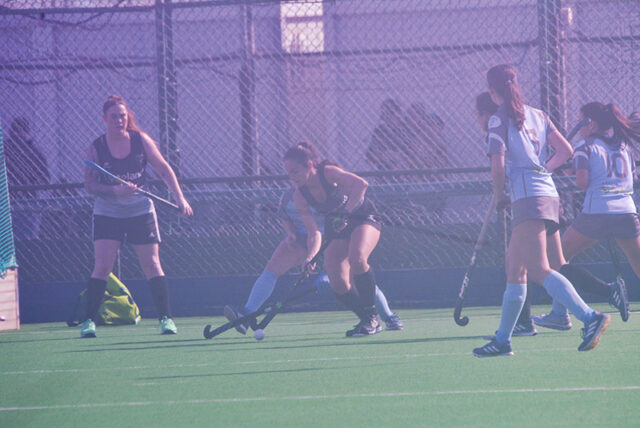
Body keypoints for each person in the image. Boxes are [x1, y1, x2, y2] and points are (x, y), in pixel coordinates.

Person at [472, 65, 610, 357]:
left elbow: (497, 165)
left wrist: (499, 195)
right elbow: (565, 151)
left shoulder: (498, 119)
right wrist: (543, 170)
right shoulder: (538, 114)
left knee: (538, 268)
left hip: (528, 197)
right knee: (515, 269)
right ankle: (502, 340)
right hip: (546, 192)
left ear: (492, 90)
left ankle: (590, 317)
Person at [223, 181, 403, 335]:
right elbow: (285, 217)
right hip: (302, 239)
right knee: (272, 267)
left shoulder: (324, 193)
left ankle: (388, 317)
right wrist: (290, 233)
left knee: (354, 276)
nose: (297, 179)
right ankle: (247, 315)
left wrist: (311, 257)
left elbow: (316, 234)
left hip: (331, 238)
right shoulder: (289, 196)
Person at [81, 95, 193, 338]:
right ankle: (89, 321)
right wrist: (115, 190)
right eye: (114, 117)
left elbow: (164, 169)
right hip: (108, 211)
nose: (119, 120)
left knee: (152, 263)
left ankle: (166, 319)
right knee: (102, 266)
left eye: (122, 116)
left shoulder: (141, 140)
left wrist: (180, 198)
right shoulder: (97, 146)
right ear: (105, 119)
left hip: (139, 210)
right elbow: (89, 184)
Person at [531, 102, 640, 329]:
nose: (579, 127)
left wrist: (575, 170)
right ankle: (559, 313)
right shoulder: (624, 147)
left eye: (581, 121)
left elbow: (582, 182)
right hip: (627, 211)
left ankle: (562, 314)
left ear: (591, 123)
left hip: (596, 213)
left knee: (559, 259)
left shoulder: (584, 147)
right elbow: (631, 177)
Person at [283, 142, 384, 336]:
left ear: (310, 165)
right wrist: (310, 258)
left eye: (295, 171)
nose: (292, 177)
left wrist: (346, 212)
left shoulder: (328, 172)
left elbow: (361, 184)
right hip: (336, 225)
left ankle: (371, 317)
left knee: (357, 258)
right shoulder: (299, 196)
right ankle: (367, 319)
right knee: (337, 283)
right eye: (289, 174)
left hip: (362, 217)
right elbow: (314, 233)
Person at [4, 117, 50, 240]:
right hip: (13, 199)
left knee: (26, 237)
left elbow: (44, 178)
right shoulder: (5, 152)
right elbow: (45, 179)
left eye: (19, 130)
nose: (16, 134)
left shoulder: (34, 152)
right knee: (21, 237)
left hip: (26, 200)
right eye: (14, 130)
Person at [366, 98, 411, 171]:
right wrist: (382, 155)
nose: (387, 115)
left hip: (404, 170)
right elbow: (370, 154)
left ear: (398, 113)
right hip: (383, 170)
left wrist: (398, 156)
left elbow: (412, 151)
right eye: (384, 113)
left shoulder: (405, 129)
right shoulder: (379, 131)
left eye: (391, 112)